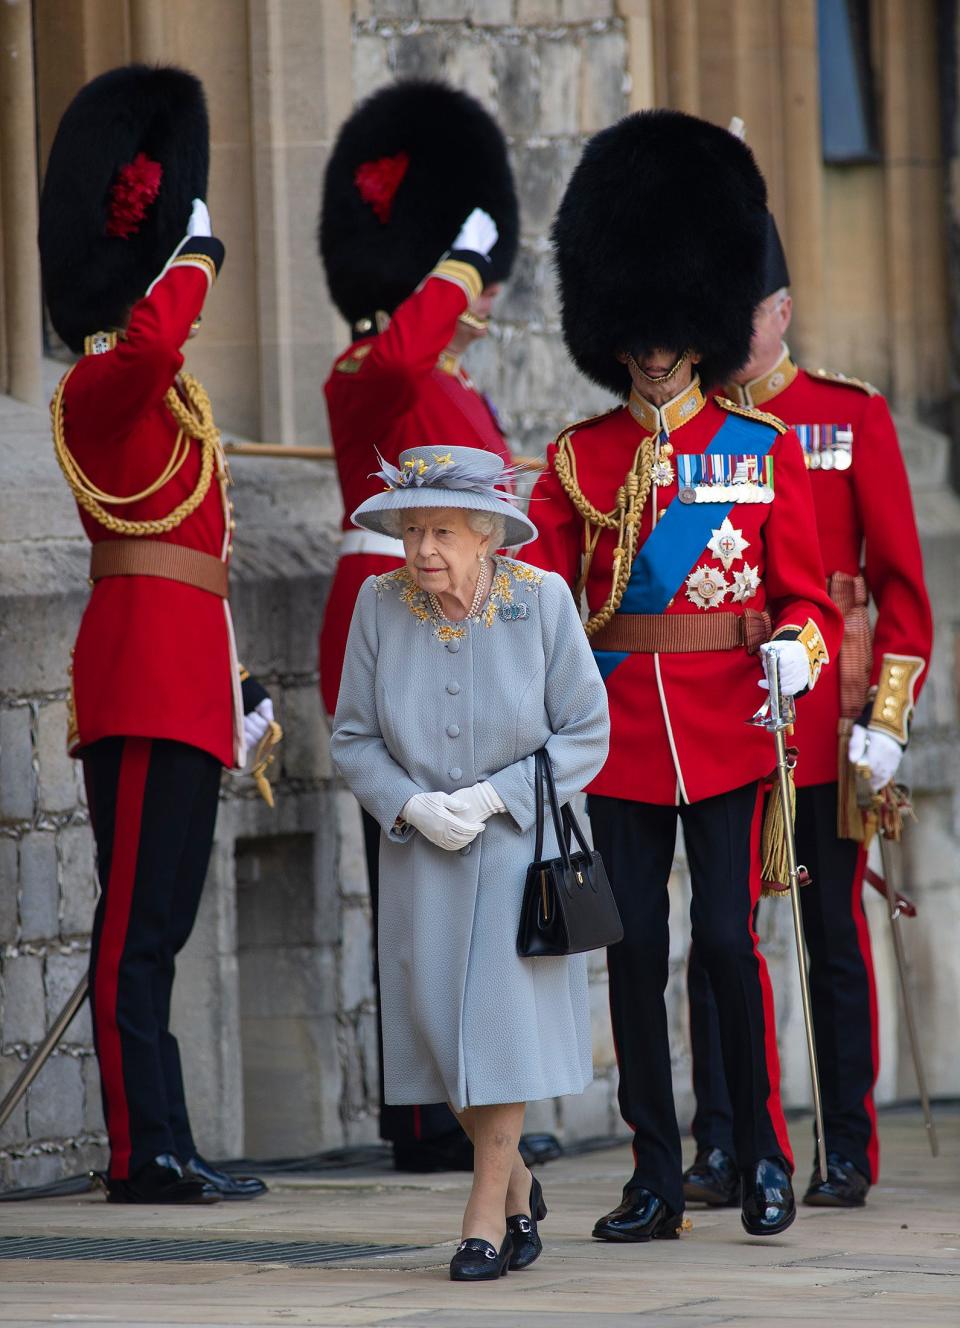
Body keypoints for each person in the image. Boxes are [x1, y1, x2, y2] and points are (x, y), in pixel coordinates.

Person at [523, 109, 843, 1240]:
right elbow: (545, 606)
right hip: (618, 738)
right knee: (638, 954)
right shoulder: (577, 461)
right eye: (639, 331)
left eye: (671, 329)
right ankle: (655, 1170)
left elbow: (807, 598)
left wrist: (798, 653)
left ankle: (758, 1146)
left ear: (701, 328)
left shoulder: (759, 455)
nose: (654, 349)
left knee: (722, 941)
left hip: (724, 731)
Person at [38, 65, 274, 1204]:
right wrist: (195, 256)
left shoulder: (162, 399)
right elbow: (151, 348)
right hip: (135, 681)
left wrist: (237, 681)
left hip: (185, 679)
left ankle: (168, 1137)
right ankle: (141, 1151)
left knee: (161, 928)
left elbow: (201, 557)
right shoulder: (98, 386)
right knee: (133, 929)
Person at [683, 215, 934, 1210]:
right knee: (717, 937)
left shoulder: (846, 416)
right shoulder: (695, 432)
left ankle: (844, 1146)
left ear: (782, 312)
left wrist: (887, 715)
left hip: (827, 715)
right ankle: (729, 1139)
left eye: (745, 311)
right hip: (723, 711)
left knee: (831, 931)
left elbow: (900, 581)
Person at [330, 445, 609, 1279]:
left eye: (442, 531)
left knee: (499, 1027)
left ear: (487, 534)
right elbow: (352, 735)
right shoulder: (379, 605)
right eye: (412, 531)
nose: (422, 551)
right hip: (423, 855)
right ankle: (520, 1182)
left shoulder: (542, 601)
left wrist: (496, 799)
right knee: (440, 1033)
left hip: (522, 852)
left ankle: (485, 1214)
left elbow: (587, 731)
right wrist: (411, 805)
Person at [318, 80, 520, 1171]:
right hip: (391, 630)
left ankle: (469, 1091)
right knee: (411, 870)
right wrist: (460, 260)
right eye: (460, 285)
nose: (475, 299)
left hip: (472, 634)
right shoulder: (373, 373)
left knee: (473, 877)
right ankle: (424, 1110)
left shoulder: (450, 385)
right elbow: (399, 354)